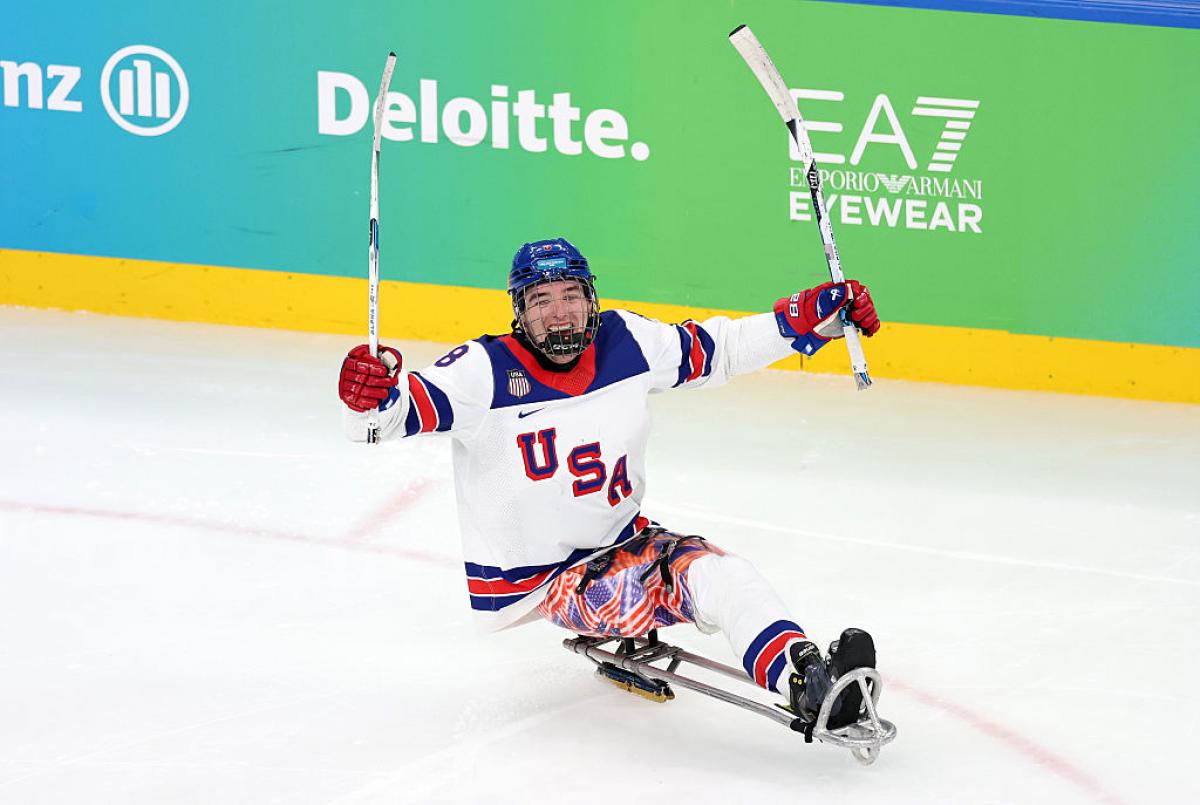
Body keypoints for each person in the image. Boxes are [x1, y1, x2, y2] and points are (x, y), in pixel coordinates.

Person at [338, 237, 881, 727]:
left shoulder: (626, 341)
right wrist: (367, 397)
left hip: (628, 543)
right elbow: (387, 419)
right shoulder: (483, 370)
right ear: (519, 312)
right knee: (707, 581)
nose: (559, 315)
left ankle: (807, 673)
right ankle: (803, 684)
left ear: (590, 298)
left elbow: (723, 348)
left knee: (728, 575)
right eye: (541, 300)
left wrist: (807, 320)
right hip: (546, 578)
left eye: (570, 295)